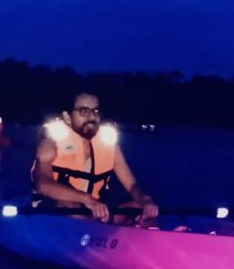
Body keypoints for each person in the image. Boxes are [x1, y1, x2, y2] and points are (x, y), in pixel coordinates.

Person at [31, 91, 159, 223]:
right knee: (68, 204)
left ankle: (158, 236)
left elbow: (132, 185)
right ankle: (93, 232)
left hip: (95, 211)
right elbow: (43, 185)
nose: (92, 117)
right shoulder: (50, 143)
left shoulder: (109, 145)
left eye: (95, 111)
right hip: (52, 213)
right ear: (67, 117)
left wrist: (144, 199)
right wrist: (86, 199)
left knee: (139, 208)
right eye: (84, 111)